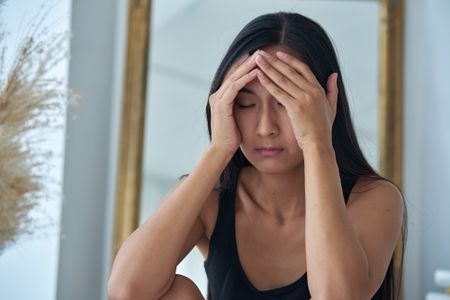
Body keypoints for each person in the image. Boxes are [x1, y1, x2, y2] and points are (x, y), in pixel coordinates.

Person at [108, 12, 406, 300]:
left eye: (285, 103)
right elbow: (128, 290)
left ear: (324, 103)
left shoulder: (375, 198)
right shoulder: (211, 199)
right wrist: (219, 150)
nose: (266, 128)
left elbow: (337, 297)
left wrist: (317, 142)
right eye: (246, 104)